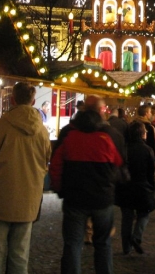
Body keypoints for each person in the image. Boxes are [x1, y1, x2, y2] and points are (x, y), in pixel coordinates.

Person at [0, 82, 52, 274]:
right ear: (33, 101)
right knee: (19, 256)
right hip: (27, 202)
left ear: (12, 100)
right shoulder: (42, 132)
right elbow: (45, 164)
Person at [50, 108, 124, 274]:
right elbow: (118, 164)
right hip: (102, 200)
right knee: (103, 243)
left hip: (75, 200)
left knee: (73, 244)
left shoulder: (70, 139)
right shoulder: (105, 139)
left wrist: (59, 189)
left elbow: (55, 167)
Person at [115, 120, 155, 255]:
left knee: (126, 217)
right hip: (142, 187)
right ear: (142, 134)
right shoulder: (147, 150)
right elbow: (151, 172)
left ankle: (126, 247)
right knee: (144, 214)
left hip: (125, 188)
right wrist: (151, 187)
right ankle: (136, 236)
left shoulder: (124, 149)